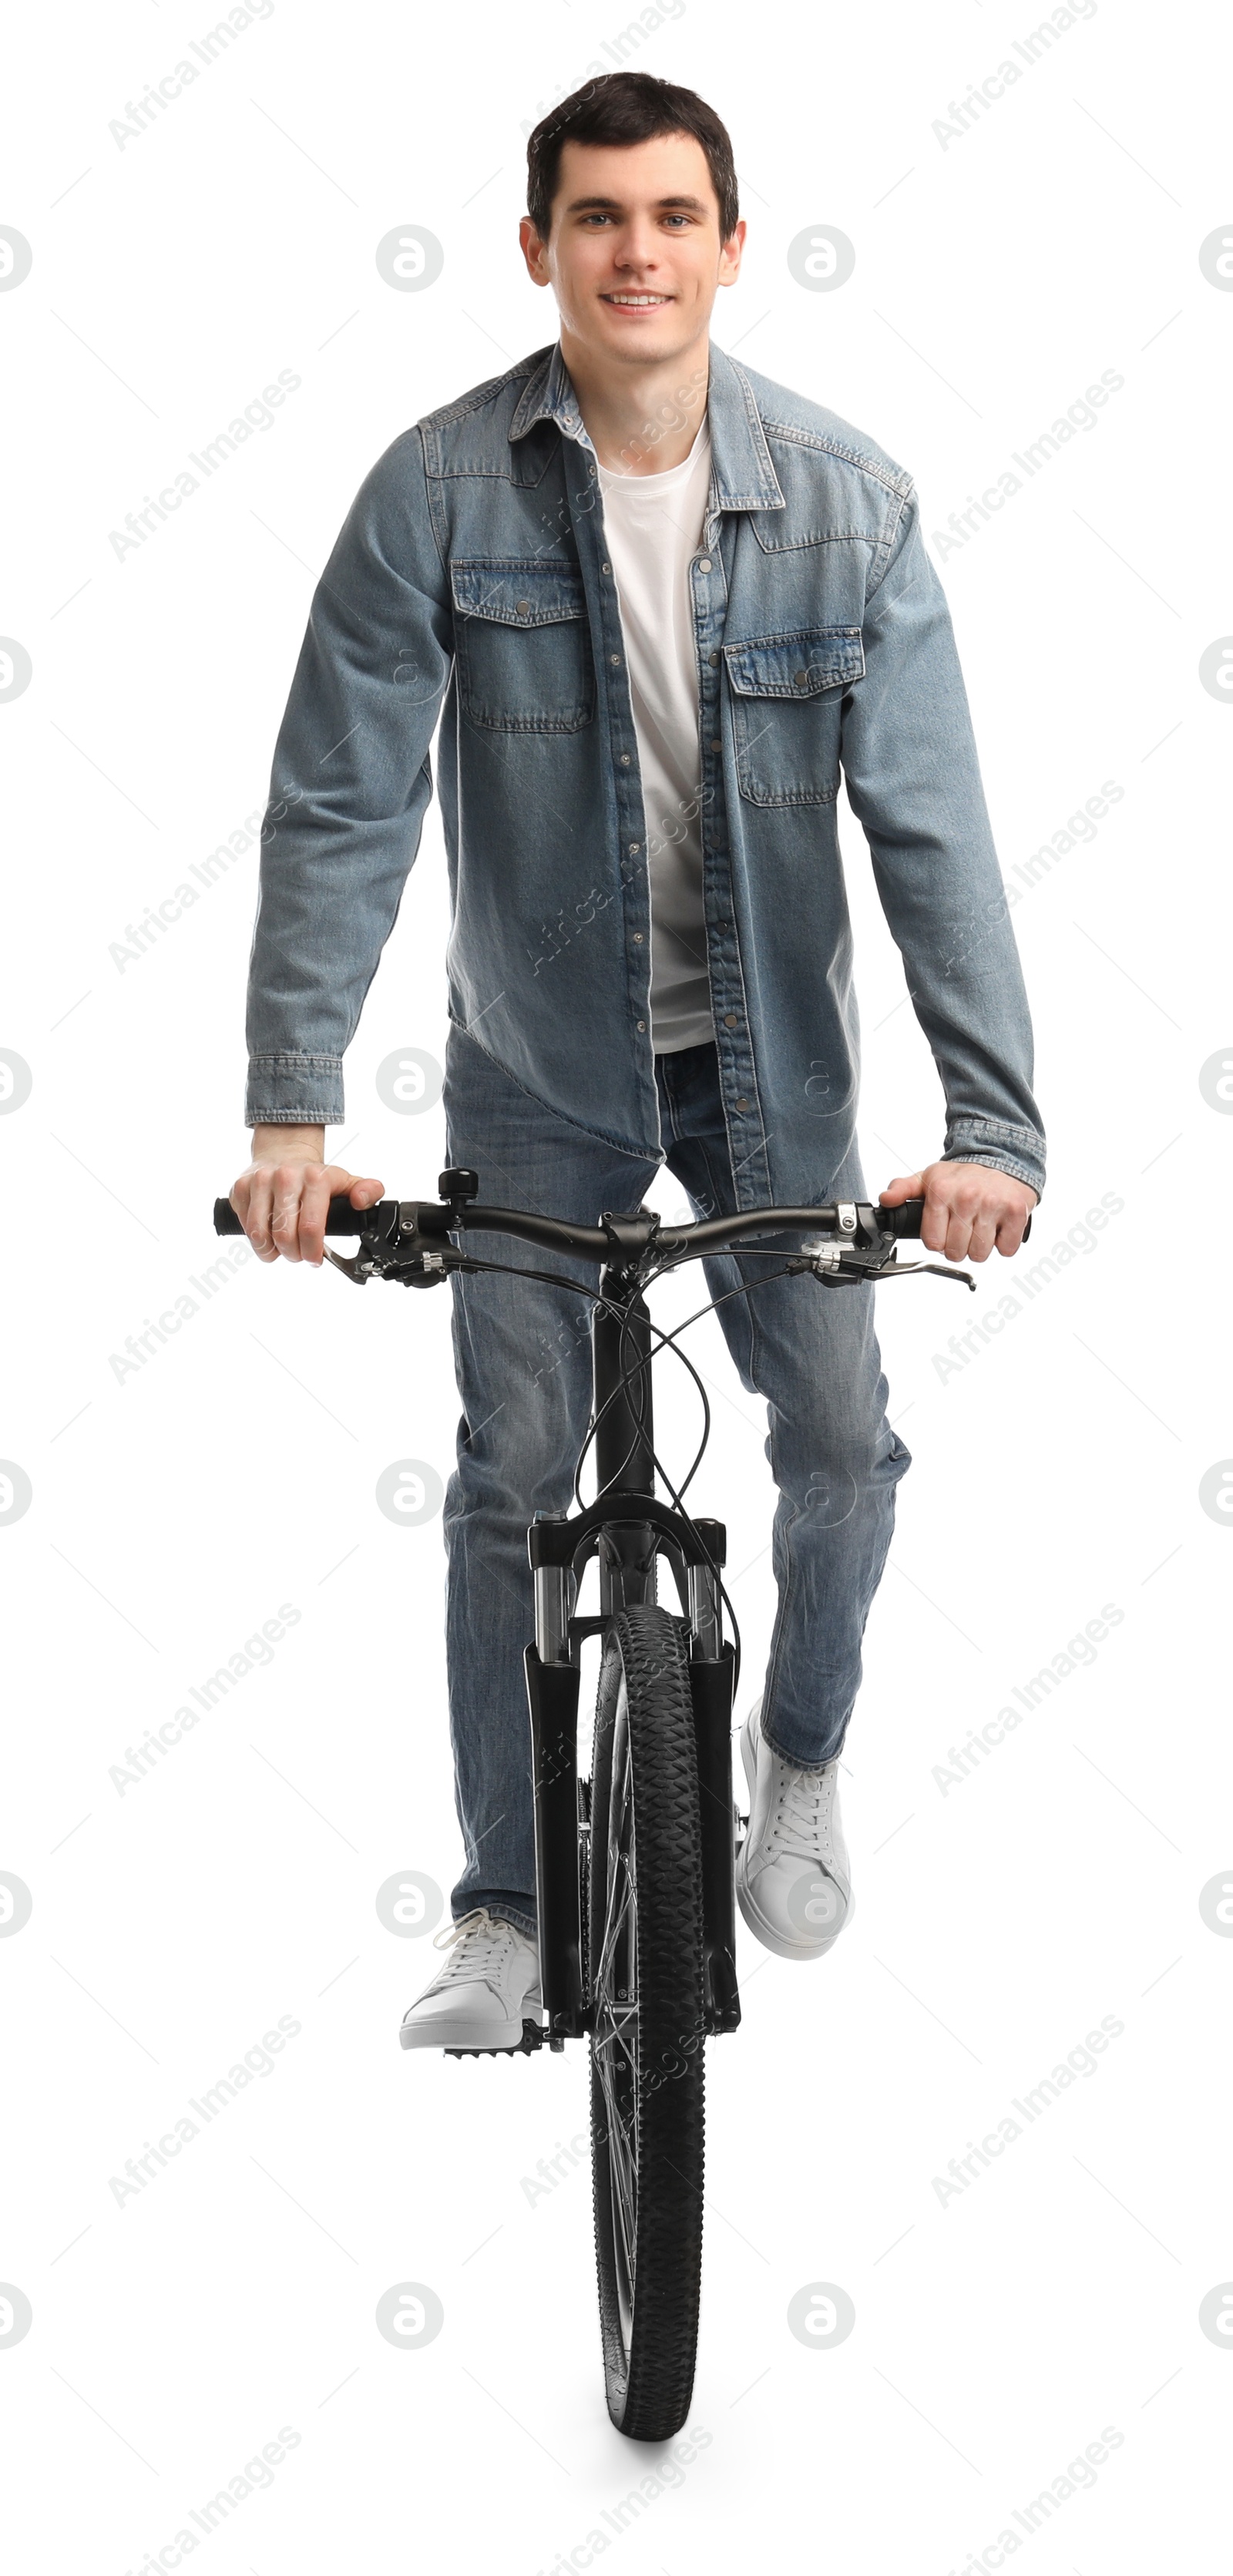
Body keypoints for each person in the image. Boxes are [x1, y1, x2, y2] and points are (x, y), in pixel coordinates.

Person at [230, 73, 1043, 2054]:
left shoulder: (846, 506)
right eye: (595, 217)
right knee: (508, 1473)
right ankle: (507, 1904)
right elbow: (338, 805)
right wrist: (292, 1117)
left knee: (843, 1445)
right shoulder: (432, 491)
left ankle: (802, 1753)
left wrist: (988, 1127)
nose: (635, 253)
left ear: (729, 246)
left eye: (672, 216)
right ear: (537, 249)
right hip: (533, 1074)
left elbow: (927, 828)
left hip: (773, 1077)